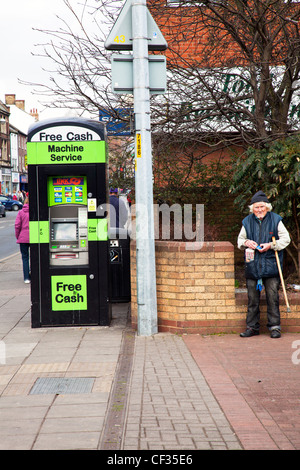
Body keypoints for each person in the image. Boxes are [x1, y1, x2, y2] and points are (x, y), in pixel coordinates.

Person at [237, 190, 290, 338]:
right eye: (256, 207)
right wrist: (247, 242)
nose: (259, 210)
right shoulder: (247, 221)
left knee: (272, 297)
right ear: (252, 209)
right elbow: (240, 241)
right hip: (252, 266)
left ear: (267, 207)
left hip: (271, 265)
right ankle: (252, 327)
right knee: (252, 299)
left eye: (262, 207)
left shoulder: (276, 220)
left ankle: (275, 327)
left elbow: (286, 239)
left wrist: (271, 245)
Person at [15, 193, 30, 284]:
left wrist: (18, 236)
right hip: (34, 237)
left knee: (25, 258)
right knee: (34, 257)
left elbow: (17, 226)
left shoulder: (20, 212)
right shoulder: (35, 212)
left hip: (23, 238)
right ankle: (34, 274)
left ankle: (26, 278)